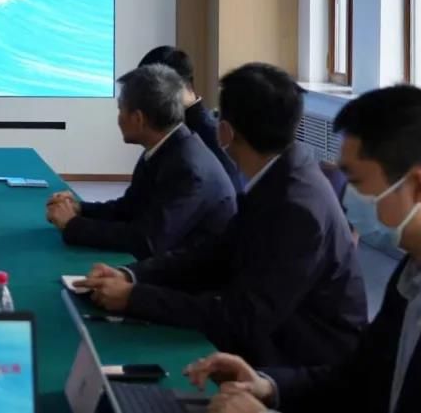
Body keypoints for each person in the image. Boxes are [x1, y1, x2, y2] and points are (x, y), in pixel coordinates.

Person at [186, 85, 421, 413]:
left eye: (356, 183)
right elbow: (357, 379)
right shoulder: (415, 270)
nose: (348, 197)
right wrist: (268, 386)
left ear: (418, 187)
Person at [76, 63, 366, 367]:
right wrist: (132, 275)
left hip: (301, 361)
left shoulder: (297, 207)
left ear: (225, 131)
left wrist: (135, 298)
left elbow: (243, 316)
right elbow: (215, 254)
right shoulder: (281, 174)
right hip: (271, 333)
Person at [46, 64, 237, 259]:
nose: (118, 118)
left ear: (138, 119)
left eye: (121, 110)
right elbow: (129, 208)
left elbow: (147, 241)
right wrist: (80, 208)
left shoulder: (188, 168)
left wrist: (72, 224)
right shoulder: (166, 147)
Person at [138, 45, 242, 191]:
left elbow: (231, 192)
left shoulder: (210, 134)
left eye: (152, 89)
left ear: (175, 85)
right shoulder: (168, 127)